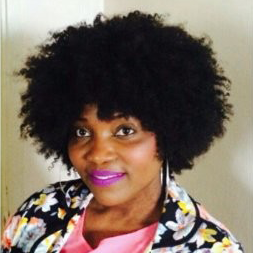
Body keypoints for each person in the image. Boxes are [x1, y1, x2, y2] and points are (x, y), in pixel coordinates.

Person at [1, 11, 244, 253]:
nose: (97, 154)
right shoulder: (42, 209)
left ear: (170, 132)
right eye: (82, 132)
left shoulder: (210, 247)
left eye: (125, 130)